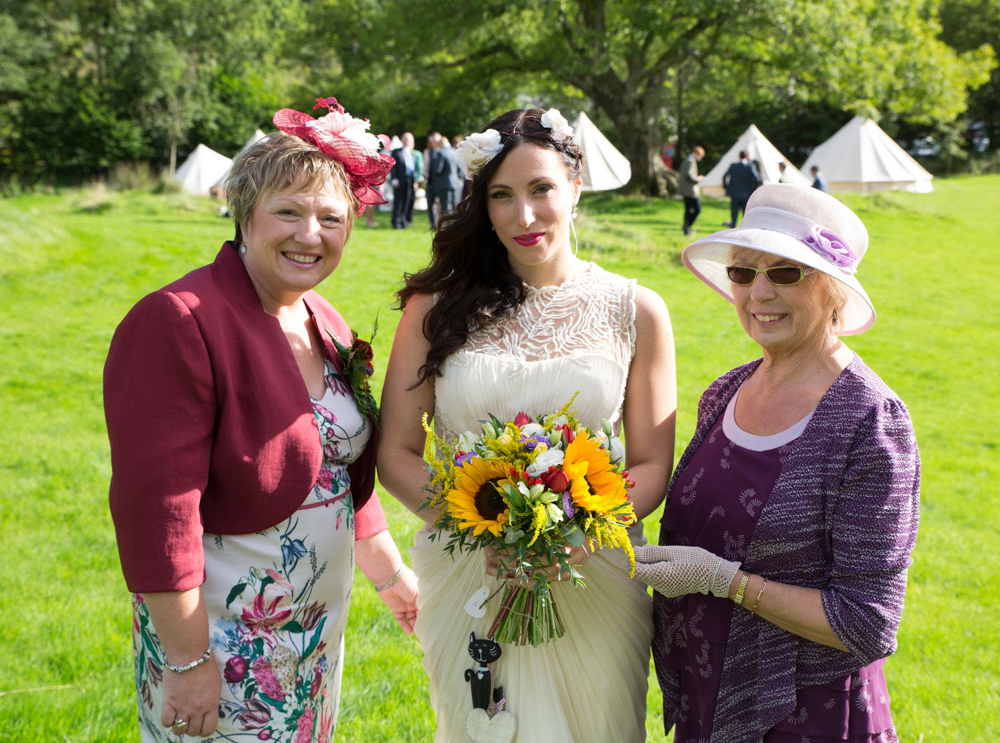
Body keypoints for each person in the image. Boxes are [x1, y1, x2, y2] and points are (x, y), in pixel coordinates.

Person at [105, 97, 419, 742]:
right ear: (245, 216)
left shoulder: (322, 319)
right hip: (222, 640)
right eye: (289, 212)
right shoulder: (181, 318)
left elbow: (338, 469)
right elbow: (157, 512)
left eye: (332, 218)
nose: (312, 234)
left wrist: (392, 580)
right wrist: (189, 661)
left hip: (308, 639)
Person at [378, 107, 677, 742]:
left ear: (574, 185)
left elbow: (651, 464)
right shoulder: (434, 308)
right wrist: (483, 532)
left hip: (593, 575)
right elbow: (397, 451)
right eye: (501, 196)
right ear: (481, 206)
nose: (524, 216)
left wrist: (578, 536)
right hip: (470, 572)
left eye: (540, 189)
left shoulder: (636, 310)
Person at [634, 184, 920, 742]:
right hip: (707, 699)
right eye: (743, 273)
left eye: (786, 273)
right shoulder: (726, 392)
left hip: (808, 717)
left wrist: (728, 582)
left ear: (834, 290)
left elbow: (868, 622)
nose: (759, 292)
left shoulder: (871, 422)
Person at [722, 149, 761, 228]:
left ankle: (732, 229)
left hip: (734, 194)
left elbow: (724, 177)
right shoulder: (750, 167)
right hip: (746, 195)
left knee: (734, 216)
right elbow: (758, 179)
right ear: (747, 157)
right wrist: (753, 189)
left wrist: (727, 187)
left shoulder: (733, 166)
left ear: (739, 156)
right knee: (745, 216)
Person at [390, 132, 417, 228]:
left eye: (409, 139)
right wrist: (394, 179)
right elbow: (393, 167)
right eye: (405, 139)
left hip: (410, 180)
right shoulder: (396, 151)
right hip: (399, 180)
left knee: (408, 200)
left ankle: (404, 221)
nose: (407, 141)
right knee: (398, 201)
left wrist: (415, 182)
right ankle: (396, 222)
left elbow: (413, 168)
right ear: (402, 140)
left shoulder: (411, 152)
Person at [680, 145, 705, 235]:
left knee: (688, 209)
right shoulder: (690, 161)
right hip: (690, 190)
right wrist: (699, 179)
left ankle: (686, 227)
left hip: (687, 190)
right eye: (700, 156)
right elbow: (689, 176)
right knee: (697, 209)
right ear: (696, 153)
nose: (700, 158)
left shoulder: (689, 160)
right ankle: (687, 226)